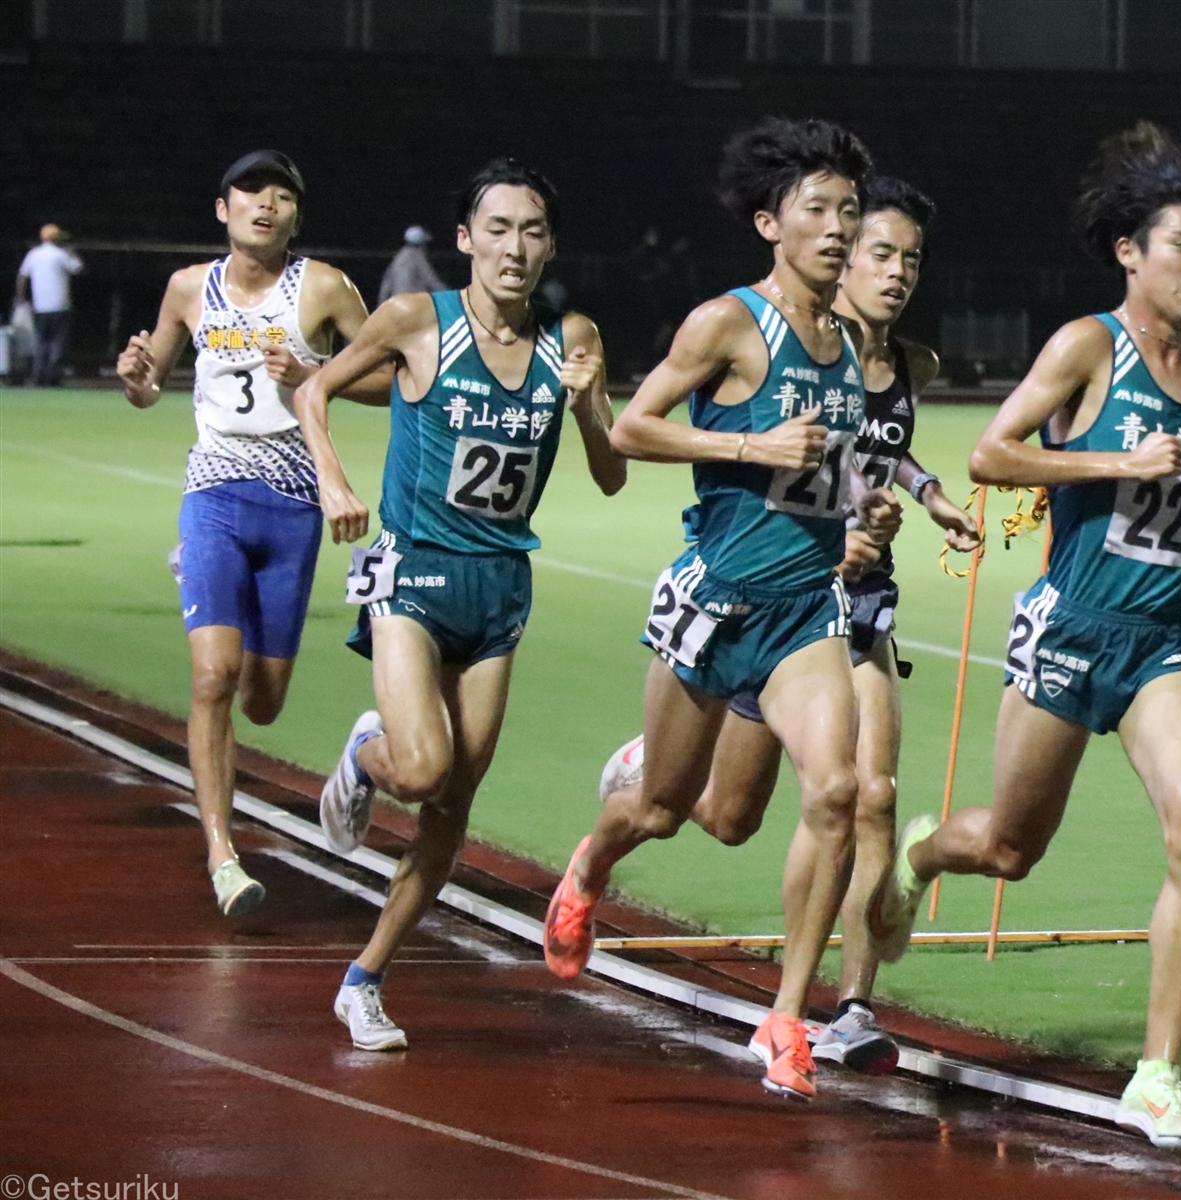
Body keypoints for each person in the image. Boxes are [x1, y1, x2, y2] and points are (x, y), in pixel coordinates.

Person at [870, 123, 1181, 1150]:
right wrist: (1112, 465)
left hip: (1168, 641)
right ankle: (923, 853)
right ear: (1131, 252)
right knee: (1009, 846)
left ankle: (1158, 1073)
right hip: (1073, 629)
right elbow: (993, 456)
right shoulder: (1088, 348)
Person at [539, 118, 902, 1103]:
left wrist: (857, 501)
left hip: (802, 617)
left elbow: (822, 460)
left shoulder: (852, 339)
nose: (838, 229)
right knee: (676, 811)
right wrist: (752, 449)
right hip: (714, 605)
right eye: (817, 211)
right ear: (767, 221)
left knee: (835, 795)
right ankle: (591, 861)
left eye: (849, 211)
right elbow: (633, 426)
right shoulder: (727, 323)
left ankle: (784, 1018)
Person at [593, 175, 979, 1076]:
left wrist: (916, 503)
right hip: (765, 590)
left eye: (904, 257)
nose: (888, 269)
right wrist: (810, 488)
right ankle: (655, 765)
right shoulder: (782, 340)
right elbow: (779, 452)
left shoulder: (903, 366)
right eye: (874, 250)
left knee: (866, 793)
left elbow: (877, 455)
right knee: (725, 817)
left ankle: (842, 1009)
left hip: (853, 599)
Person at [293, 159, 627, 1052]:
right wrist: (332, 481)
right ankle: (368, 755)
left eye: (532, 231)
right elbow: (312, 387)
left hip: (500, 587)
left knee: (452, 806)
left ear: (550, 243)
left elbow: (609, 473)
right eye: (498, 228)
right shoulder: (416, 321)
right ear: (465, 238)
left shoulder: (573, 334)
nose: (514, 247)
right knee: (422, 769)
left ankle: (365, 979)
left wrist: (592, 404)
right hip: (411, 568)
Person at [114, 150, 385, 918]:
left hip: (294, 507)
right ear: (222, 208)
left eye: (282, 195)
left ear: (297, 214)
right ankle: (222, 854)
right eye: (250, 193)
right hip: (215, 492)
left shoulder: (325, 287)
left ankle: (357, 751)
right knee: (212, 679)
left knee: (263, 702)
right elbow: (147, 384)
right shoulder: (185, 289)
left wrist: (314, 373)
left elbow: (395, 380)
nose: (265, 205)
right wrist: (136, 374)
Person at [16, 223, 83, 386]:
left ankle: (38, 377)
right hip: (61, 305)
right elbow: (78, 268)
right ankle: (53, 378)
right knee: (57, 343)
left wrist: (20, 298)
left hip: (40, 306)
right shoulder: (61, 254)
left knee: (41, 343)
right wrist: (71, 250)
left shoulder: (34, 254)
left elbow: (22, 277)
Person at [378, 225, 447, 304]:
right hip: (413, 303)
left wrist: (381, 304)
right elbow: (431, 280)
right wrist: (448, 294)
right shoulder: (417, 256)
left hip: (396, 302)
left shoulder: (399, 256)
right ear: (421, 243)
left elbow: (386, 283)